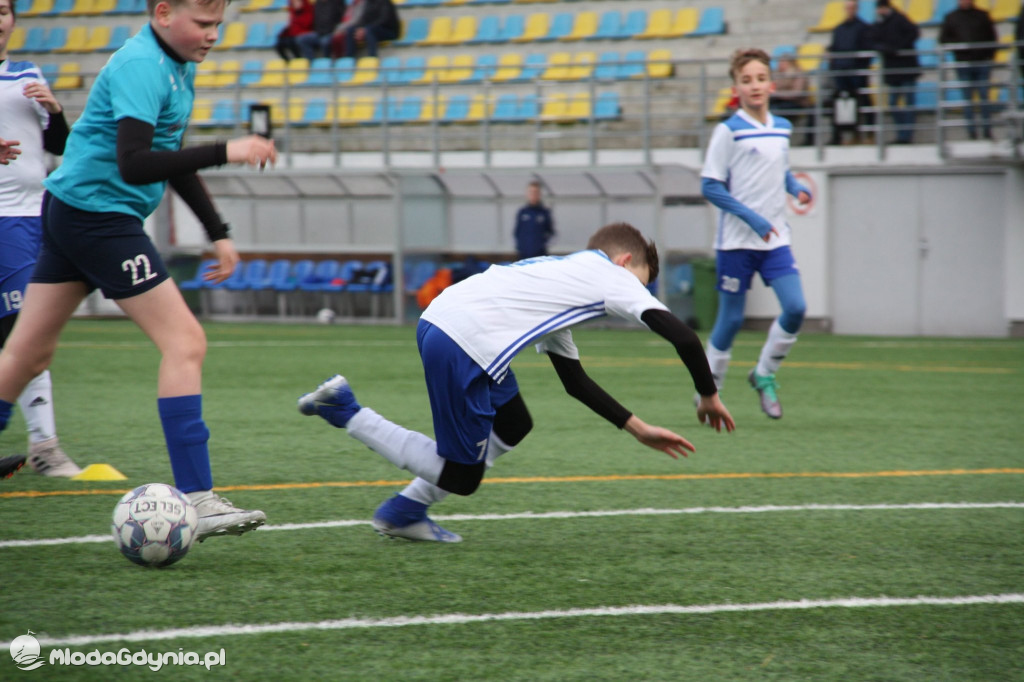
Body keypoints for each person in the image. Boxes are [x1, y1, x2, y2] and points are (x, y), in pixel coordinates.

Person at [0, 0, 274, 539]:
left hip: (72, 209)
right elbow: (135, 161)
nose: (212, 35)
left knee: (27, 353)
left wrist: (217, 232)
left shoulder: (175, 65)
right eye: (203, 23)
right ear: (164, 13)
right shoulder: (142, 66)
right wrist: (227, 149)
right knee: (185, 342)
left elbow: (166, 154)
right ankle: (198, 496)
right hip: (98, 218)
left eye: (218, 24)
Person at [299, 222, 735, 542]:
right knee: (462, 477)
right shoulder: (611, 277)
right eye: (642, 283)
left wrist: (638, 428)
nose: (639, 294)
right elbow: (683, 336)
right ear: (624, 263)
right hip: (463, 339)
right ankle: (346, 411)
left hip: (452, 322)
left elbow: (574, 381)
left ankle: (405, 510)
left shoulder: (563, 278)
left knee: (513, 423)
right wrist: (708, 395)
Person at [699, 48, 812, 420]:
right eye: (746, 80)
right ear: (736, 88)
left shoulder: (782, 128)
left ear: (772, 84)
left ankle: (763, 374)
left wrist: (794, 187)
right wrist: (754, 220)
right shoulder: (727, 131)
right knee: (730, 321)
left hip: (775, 239)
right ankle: (709, 393)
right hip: (736, 242)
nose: (755, 85)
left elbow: (780, 169)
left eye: (760, 78)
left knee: (796, 308)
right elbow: (711, 186)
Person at [1, 0, 82, 477]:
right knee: (24, 331)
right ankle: (44, 446)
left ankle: (42, 443)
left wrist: (55, 111)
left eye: (6, 10)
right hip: (5, 219)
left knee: (18, 330)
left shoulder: (28, 74)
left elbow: (60, 147)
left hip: (37, 216)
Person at [939, 0, 998, 140]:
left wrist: (987, 55)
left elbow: (993, 38)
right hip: (963, 63)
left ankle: (987, 131)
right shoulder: (952, 17)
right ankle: (972, 132)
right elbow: (943, 39)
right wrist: (960, 49)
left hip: (982, 62)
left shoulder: (982, 15)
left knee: (984, 97)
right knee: (967, 99)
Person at [869, 0, 921, 144]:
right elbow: (871, 41)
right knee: (893, 104)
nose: (880, 11)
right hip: (892, 71)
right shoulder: (878, 24)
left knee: (908, 103)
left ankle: (906, 136)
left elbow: (914, 32)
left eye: (882, 8)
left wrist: (897, 48)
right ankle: (902, 134)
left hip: (907, 68)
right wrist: (885, 49)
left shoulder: (900, 18)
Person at [828, 0, 874, 144]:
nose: (849, 10)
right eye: (847, 8)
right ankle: (849, 134)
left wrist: (860, 67)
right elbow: (834, 48)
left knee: (864, 101)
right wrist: (834, 64)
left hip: (857, 73)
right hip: (841, 72)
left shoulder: (864, 28)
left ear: (856, 8)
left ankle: (870, 133)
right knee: (844, 104)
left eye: (852, 7)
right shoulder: (839, 29)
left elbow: (868, 51)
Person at [771, 54, 812, 145]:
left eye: (783, 62)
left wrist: (778, 94)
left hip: (796, 103)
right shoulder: (777, 74)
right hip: (780, 102)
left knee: (776, 111)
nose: (780, 64)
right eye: (779, 62)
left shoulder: (798, 73)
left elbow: (797, 93)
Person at [513, 180, 555, 260]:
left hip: (540, 255)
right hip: (524, 255)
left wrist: (542, 245)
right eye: (531, 192)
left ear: (539, 194)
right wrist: (520, 247)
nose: (533, 195)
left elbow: (550, 232)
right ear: (527, 194)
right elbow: (517, 232)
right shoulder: (522, 212)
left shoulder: (544, 213)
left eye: (536, 192)